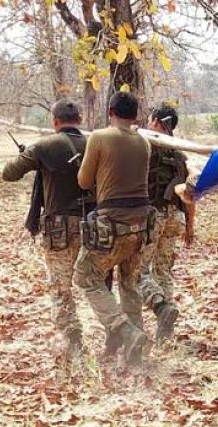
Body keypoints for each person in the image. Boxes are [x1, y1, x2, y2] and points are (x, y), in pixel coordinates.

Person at [1, 100, 89, 359]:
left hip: (58, 228)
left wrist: (31, 155)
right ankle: (115, 332)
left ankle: (74, 339)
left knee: (62, 287)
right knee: (96, 283)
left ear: (55, 121)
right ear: (80, 120)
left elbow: (9, 173)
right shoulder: (95, 144)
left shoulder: (43, 147)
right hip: (94, 225)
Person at [73, 91, 152, 368]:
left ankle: (123, 329)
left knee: (86, 277)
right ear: (135, 115)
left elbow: (83, 181)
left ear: (110, 111)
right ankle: (136, 350)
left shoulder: (99, 137)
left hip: (111, 223)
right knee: (130, 284)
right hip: (141, 225)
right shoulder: (144, 142)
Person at [139, 103, 196, 342]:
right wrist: (191, 226)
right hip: (177, 217)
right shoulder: (179, 153)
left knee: (136, 273)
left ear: (156, 122)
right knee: (163, 271)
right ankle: (166, 332)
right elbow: (190, 193)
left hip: (153, 216)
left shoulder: (145, 146)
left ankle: (160, 306)